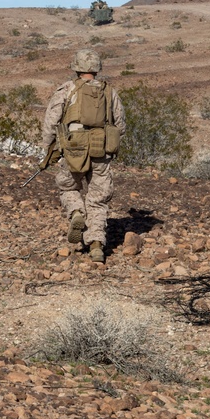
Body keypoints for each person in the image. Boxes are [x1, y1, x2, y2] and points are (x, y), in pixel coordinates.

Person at [41, 49, 125, 263]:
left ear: (76, 67)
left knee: (69, 187)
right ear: (97, 67)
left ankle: (77, 212)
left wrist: (48, 149)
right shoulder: (109, 92)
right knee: (98, 199)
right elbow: (120, 125)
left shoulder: (67, 89)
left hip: (73, 148)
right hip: (101, 148)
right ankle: (96, 245)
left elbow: (51, 123)